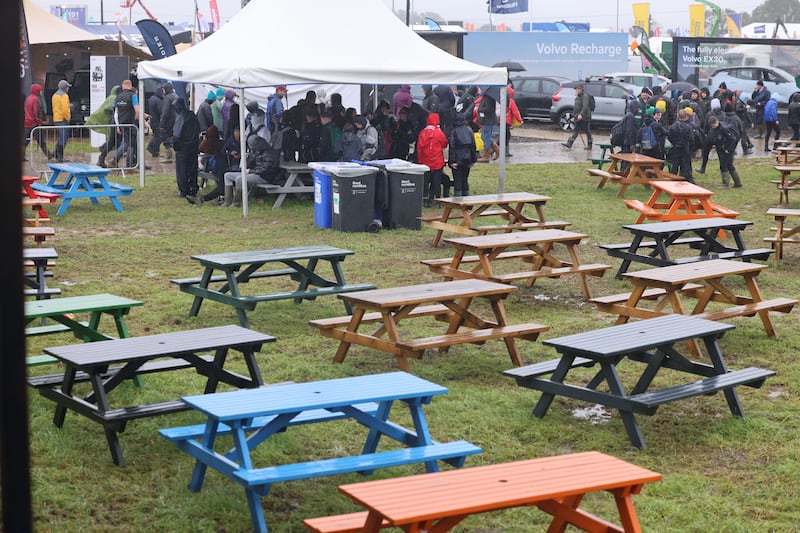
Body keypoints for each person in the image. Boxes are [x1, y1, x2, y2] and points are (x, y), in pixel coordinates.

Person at [222, 135, 282, 207]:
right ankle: (227, 201)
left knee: (240, 179)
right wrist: (250, 158)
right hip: (255, 173)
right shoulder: (257, 152)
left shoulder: (270, 153)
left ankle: (236, 203)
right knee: (227, 175)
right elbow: (250, 164)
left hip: (265, 177)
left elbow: (265, 170)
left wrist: (250, 171)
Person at [172, 98, 202, 202]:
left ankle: (184, 191)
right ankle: (193, 188)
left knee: (182, 171)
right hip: (193, 147)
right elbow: (199, 128)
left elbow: (176, 135)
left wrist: (175, 146)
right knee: (193, 169)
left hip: (183, 148)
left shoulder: (181, 118)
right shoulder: (192, 115)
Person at [416, 112, 449, 206]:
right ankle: (437, 199)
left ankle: (425, 200)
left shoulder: (423, 132)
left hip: (425, 162)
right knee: (437, 181)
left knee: (425, 182)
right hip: (437, 162)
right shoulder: (439, 132)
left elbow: (419, 148)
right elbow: (444, 144)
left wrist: (420, 162)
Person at [706, 115, 742, 188]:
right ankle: (737, 182)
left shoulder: (724, 128)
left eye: (713, 125)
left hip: (726, 150)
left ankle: (726, 183)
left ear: (716, 122)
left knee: (724, 166)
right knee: (729, 165)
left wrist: (729, 149)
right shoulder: (716, 128)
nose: (712, 127)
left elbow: (733, 139)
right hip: (721, 149)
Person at [448, 112, 477, 197]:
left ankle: (458, 200)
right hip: (467, 158)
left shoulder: (453, 131)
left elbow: (452, 147)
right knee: (465, 180)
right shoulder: (469, 130)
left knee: (457, 180)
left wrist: (452, 161)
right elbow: (473, 146)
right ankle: (466, 199)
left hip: (457, 158)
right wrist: (473, 159)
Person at [112, 79, 139, 168]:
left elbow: (116, 113)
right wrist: (142, 117)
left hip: (122, 123)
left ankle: (129, 162)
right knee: (130, 143)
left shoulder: (118, 97)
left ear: (123, 86)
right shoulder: (133, 96)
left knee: (129, 143)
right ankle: (123, 161)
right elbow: (137, 109)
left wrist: (117, 126)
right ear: (130, 86)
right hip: (130, 123)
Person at [197, 124, 226, 205]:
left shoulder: (205, 143)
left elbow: (199, 150)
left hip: (208, 165)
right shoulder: (221, 143)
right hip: (219, 166)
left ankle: (205, 197)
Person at [24, 83, 52, 160]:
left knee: (25, 141)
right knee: (41, 140)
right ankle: (49, 155)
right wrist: (39, 121)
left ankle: (21, 156)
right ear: (37, 91)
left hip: (27, 123)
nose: (41, 92)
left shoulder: (28, 98)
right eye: (40, 90)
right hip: (34, 123)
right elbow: (36, 112)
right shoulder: (36, 99)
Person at [667, 108, 696, 183]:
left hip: (676, 148)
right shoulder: (688, 127)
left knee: (674, 166)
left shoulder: (673, 126)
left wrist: (674, 143)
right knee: (685, 166)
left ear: (678, 116)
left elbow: (669, 136)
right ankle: (685, 181)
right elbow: (691, 139)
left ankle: (672, 181)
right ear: (686, 116)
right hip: (685, 149)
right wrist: (691, 148)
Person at [561, 84, 592, 150]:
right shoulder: (577, 97)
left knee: (587, 131)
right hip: (578, 117)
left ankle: (589, 145)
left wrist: (581, 114)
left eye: (578, 89)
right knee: (576, 130)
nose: (576, 90)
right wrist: (574, 116)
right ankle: (569, 143)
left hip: (585, 117)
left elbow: (585, 106)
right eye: (576, 89)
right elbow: (576, 108)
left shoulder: (585, 97)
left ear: (581, 90)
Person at [51, 79, 71, 162]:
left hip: (56, 118)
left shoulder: (54, 95)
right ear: (65, 88)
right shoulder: (64, 96)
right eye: (67, 87)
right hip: (63, 119)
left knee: (61, 137)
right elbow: (65, 109)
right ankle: (60, 156)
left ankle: (56, 153)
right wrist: (68, 118)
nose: (68, 89)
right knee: (64, 138)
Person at [159, 82, 179, 163]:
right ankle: (175, 156)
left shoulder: (167, 98)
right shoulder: (175, 96)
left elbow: (165, 112)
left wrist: (162, 124)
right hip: (176, 121)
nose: (162, 91)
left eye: (163, 89)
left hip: (169, 122)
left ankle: (169, 157)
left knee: (167, 140)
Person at [476, 92, 499, 162]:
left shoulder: (489, 98)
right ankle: (497, 150)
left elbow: (489, 109)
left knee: (485, 137)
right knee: (485, 137)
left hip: (488, 121)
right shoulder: (486, 97)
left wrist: (479, 109)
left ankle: (486, 156)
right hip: (487, 120)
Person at [503, 85, 523, 157]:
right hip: (507, 121)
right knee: (507, 136)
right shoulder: (511, 101)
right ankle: (505, 151)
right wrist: (520, 120)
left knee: (501, 135)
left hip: (499, 120)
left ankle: (495, 149)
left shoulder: (500, 99)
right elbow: (515, 112)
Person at [146, 85, 164, 157]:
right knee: (158, 137)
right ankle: (155, 152)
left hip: (153, 120)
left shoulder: (151, 98)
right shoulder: (158, 100)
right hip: (157, 121)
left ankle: (150, 147)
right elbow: (160, 111)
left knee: (156, 135)